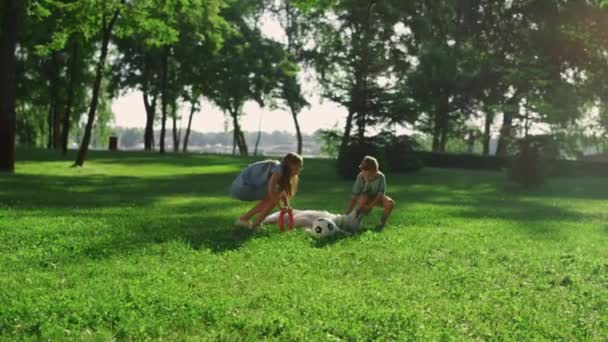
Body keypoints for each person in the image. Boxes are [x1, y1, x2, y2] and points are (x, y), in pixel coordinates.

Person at [229, 152, 303, 229]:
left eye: (300, 168)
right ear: (288, 165)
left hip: (242, 187)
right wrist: (280, 207)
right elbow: (271, 189)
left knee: (275, 196)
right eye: (296, 168)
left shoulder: (280, 169)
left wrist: (287, 206)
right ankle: (255, 224)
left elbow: (282, 192)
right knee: (274, 197)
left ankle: (245, 220)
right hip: (243, 188)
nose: (297, 171)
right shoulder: (279, 169)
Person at [345, 155, 395, 230]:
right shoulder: (360, 177)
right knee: (364, 197)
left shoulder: (380, 176)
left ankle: (381, 223)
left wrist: (370, 206)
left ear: (375, 170)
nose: (365, 174)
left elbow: (380, 193)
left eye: (369, 173)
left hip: (376, 198)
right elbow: (355, 195)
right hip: (363, 198)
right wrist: (347, 213)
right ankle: (357, 221)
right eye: (363, 171)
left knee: (390, 203)